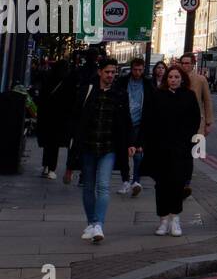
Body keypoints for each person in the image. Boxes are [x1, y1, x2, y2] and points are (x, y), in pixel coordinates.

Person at [70, 57, 132, 243]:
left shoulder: (120, 94)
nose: (111, 75)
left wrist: (130, 143)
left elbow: (125, 121)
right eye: (107, 72)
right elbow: (75, 117)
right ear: (100, 72)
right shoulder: (87, 91)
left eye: (113, 72)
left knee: (103, 185)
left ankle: (98, 224)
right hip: (88, 145)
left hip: (109, 147)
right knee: (88, 186)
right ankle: (91, 222)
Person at [139, 64, 200, 237]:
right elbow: (148, 119)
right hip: (159, 148)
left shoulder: (189, 96)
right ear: (166, 79)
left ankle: (175, 219)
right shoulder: (157, 95)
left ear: (182, 79)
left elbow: (194, 120)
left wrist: (187, 140)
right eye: (170, 77)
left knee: (177, 184)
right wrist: (143, 142)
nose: (173, 80)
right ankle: (163, 220)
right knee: (162, 185)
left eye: (176, 77)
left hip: (180, 148)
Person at [177, 53, 212, 200]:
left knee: (190, 155)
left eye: (187, 63)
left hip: (196, 124)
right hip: (178, 124)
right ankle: (179, 182)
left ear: (193, 64)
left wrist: (208, 123)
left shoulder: (200, 79)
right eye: (182, 63)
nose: (185, 66)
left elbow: (207, 101)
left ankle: (186, 183)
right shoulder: (175, 78)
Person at [115, 57, 150, 197]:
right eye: (135, 69)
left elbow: (151, 104)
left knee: (138, 153)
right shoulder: (123, 81)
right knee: (124, 152)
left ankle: (136, 181)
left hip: (139, 122)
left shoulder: (147, 83)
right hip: (124, 121)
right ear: (131, 68)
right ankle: (125, 181)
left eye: (140, 70)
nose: (137, 72)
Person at [35, 59, 75, 180]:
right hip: (60, 118)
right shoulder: (67, 81)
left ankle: (46, 166)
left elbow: (41, 97)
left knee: (48, 143)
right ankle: (52, 169)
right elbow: (71, 101)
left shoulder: (48, 78)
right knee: (55, 145)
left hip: (47, 116)